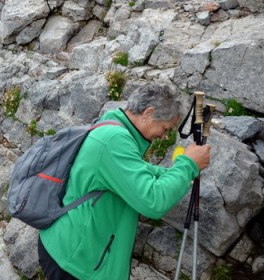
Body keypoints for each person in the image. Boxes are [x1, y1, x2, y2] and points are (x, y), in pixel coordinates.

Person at [38, 83, 211, 279]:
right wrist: (187, 165)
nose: (163, 136)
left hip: (75, 251)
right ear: (148, 112)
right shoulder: (114, 140)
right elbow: (153, 202)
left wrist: (171, 173)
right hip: (75, 261)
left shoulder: (113, 126)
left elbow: (132, 170)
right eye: (165, 128)